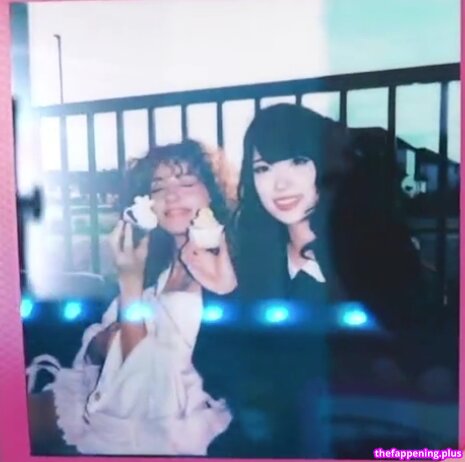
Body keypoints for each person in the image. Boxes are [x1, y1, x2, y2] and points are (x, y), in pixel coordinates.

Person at [232, 103, 426, 457]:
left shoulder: (373, 250)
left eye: (297, 161)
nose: (280, 183)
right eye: (263, 168)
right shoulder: (250, 258)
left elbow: (409, 351)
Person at [26, 140, 238, 455]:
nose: (171, 195)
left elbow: (139, 365)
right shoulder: (157, 263)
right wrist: (104, 342)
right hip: (105, 391)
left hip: (154, 420)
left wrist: (130, 285)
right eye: (158, 187)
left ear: (212, 193)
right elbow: (106, 341)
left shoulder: (225, 267)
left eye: (186, 182)